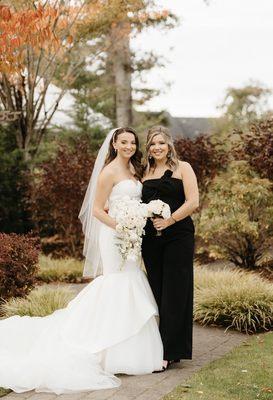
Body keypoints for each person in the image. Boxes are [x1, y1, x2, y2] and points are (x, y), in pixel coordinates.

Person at [0, 127, 163, 394]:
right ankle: (103, 346)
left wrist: (141, 216)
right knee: (116, 282)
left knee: (133, 279)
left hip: (133, 235)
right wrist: (120, 226)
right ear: (114, 143)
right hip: (114, 236)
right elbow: (97, 210)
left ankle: (131, 352)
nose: (129, 146)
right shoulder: (108, 172)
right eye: (124, 142)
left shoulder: (135, 170)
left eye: (133, 142)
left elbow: (135, 202)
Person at [141, 126, 199, 371]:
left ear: (169, 146)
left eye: (162, 143)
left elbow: (193, 201)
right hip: (150, 238)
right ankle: (162, 347)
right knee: (157, 291)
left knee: (176, 292)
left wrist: (171, 220)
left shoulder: (182, 167)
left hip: (178, 235)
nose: (157, 147)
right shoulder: (143, 171)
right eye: (153, 143)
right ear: (148, 148)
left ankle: (168, 352)